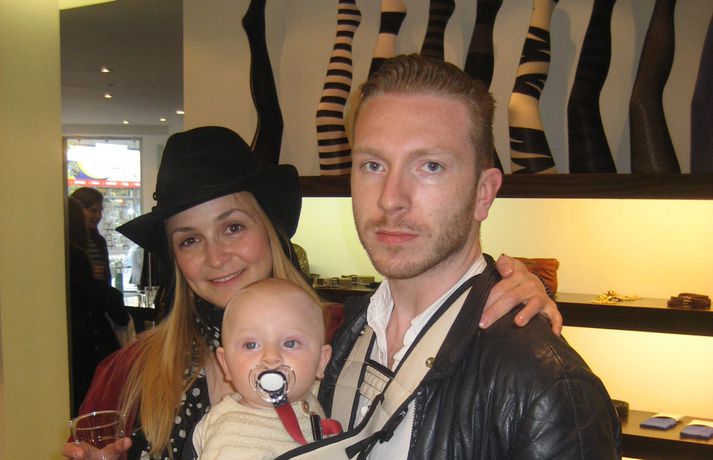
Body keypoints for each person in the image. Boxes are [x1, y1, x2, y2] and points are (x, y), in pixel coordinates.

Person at [62, 126, 558, 460]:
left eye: (233, 227)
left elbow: (440, 335)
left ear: (270, 229)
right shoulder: (132, 373)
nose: (215, 257)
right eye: (189, 240)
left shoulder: (348, 338)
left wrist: (511, 289)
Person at [308, 55, 622, 458]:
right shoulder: (348, 334)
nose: (390, 199)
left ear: (483, 193)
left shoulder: (546, 386)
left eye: (430, 166)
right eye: (372, 165)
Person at [193, 278, 333, 459]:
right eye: (251, 345)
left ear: (320, 361)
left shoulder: (309, 397)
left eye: (290, 343)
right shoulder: (232, 441)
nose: (271, 358)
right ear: (226, 364)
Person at [67, 196, 129, 417]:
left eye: (99, 210)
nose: (96, 216)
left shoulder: (97, 242)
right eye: (91, 210)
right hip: (89, 333)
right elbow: (92, 295)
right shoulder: (75, 254)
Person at [71, 187, 112, 285]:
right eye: (93, 210)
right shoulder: (68, 242)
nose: (98, 216)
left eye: (100, 211)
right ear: (77, 210)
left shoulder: (99, 241)